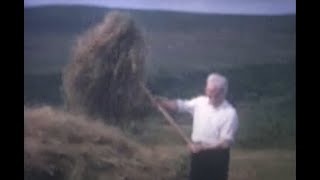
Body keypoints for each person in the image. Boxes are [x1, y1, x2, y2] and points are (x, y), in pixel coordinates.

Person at [157, 73, 239, 180]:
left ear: (223, 92)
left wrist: (202, 147)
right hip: (197, 156)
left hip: (217, 158)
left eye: (215, 94)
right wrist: (163, 103)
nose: (211, 97)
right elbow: (181, 105)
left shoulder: (229, 113)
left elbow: (225, 143)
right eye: (209, 93)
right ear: (206, 89)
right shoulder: (200, 102)